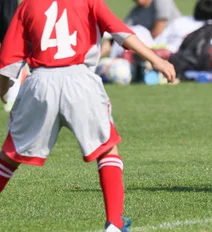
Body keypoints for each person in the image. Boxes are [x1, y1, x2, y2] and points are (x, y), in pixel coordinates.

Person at [0, 1, 176, 231]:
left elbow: (8, 59)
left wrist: (3, 91)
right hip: (80, 79)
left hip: (40, 83)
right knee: (106, 149)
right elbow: (119, 30)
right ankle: (114, 223)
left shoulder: (27, 6)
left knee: (9, 156)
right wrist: (155, 59)